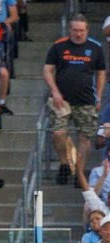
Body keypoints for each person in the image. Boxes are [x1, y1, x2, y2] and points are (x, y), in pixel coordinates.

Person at [44, 14, 106, 186]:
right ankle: (65, 164)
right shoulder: (59, 46)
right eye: (75, 30)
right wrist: (54, 91)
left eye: (81, 30)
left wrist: (99, 96)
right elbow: (47, 70)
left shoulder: (95, 48)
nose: (78, 34)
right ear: (69, 30)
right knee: (58, 133)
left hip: (86, 100)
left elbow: (101, 72)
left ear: (87, 30)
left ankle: (79, 171)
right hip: (61, 100)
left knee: (85, 138)